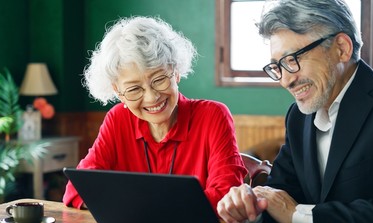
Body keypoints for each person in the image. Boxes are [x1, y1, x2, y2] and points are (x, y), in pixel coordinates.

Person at [217, 0, 373, 223]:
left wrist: (296, 214)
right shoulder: (297, 117)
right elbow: (279, 198)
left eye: (292, 60)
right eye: (277, 67)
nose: (286, 81)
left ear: (341, 48)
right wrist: (250, 209)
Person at [63, 16, 247, 212]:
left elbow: (227, 196)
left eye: (159, 80)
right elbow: (76, 190)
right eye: (134, 89)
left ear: (175, 72)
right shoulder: (118, 119)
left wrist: (138, 207)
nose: (151, 98)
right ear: (118, 92)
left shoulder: (213, 116)